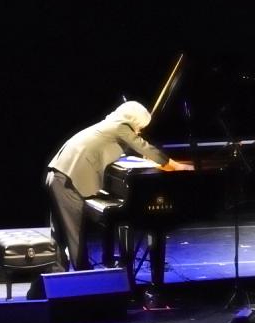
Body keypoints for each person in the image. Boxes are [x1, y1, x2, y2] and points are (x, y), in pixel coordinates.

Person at [46, 100, 193, 271]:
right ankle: (85, 278)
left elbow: (122, 148)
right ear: (134, 121)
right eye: (140, 127)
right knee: (75, 235)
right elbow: (143, 146)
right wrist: (176, 166)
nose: (139, 131)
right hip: (66, 179)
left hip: (58, 174)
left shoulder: (110, 125)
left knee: (60, 235)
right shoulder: (119, 127)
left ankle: (55, 277)